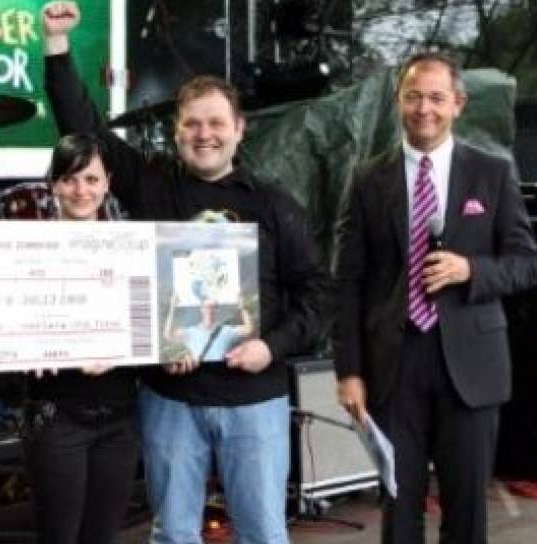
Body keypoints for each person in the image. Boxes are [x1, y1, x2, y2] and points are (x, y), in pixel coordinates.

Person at [41, 3, 330, 542]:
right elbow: (85, 129)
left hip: (255, 400)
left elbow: (316, 296)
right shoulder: (151, 185)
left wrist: (271, 347)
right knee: (174, 534)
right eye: (192, 123)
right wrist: (57, 46)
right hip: (170, 401)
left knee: (264, 534)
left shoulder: (274, 205)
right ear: (176, 130)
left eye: (216, 123)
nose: (204, 134)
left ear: (239, 129)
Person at [332, 52, 537, 544]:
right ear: (398, 101)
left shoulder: (492, 173)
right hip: (393, 366)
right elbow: (348, 282)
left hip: (471, 366)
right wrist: (349, 371)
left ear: (458, 104)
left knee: (466, 511)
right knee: (399, 508)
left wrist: (472, 270)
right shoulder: (367, 179)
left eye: (436, 98)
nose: (424, 108)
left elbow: (526, 263)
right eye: (413, 97)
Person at [21, 133, 142, 544]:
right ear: (53, 184)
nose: (81, 190)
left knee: (102, 537)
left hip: (120, 417)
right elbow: (14, 329)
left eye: (91, 179)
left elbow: (147, 322)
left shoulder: (131, 248)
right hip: (58, 415)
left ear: (108, 183)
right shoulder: (25, 251)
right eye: (69, 179)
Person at [164, 295, 255, 364]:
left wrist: (242, 307)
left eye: (212, 307)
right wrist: (172, 308)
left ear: (216, 310)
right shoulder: (191, 333)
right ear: (201, 309)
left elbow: (249, 329)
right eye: (206, 307)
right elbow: (168, 334)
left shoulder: (226, 331)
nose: (209, 310)